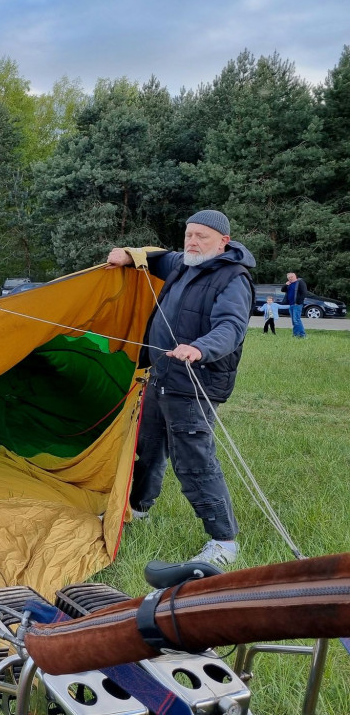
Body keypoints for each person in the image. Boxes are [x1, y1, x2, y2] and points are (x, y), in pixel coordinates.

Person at [106, 210, 254, 568]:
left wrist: (200, 347)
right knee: (148, 448)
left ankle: (224, 541)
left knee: (194, 462)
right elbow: (157, 257)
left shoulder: (233, 278)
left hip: (195, 384)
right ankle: (139, 511)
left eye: (202, 236)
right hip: (161, 376)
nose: (192, 241)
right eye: (189, 234)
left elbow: (231, 328)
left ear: (224, 242)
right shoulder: (184, 263)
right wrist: (128, 254)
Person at [283, 272, 307, 338]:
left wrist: (299, 301)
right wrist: (286, 285)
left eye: (291, 277)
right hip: (291, 305)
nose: (290, 278)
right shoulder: (289, 284)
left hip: (297, 304)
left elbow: (304, 293)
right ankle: (295, 334)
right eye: (289, 278)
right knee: (294, 321)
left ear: (295, 276)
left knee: (297, 320)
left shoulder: (300, 282)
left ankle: (302, 335)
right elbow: (282, 290)